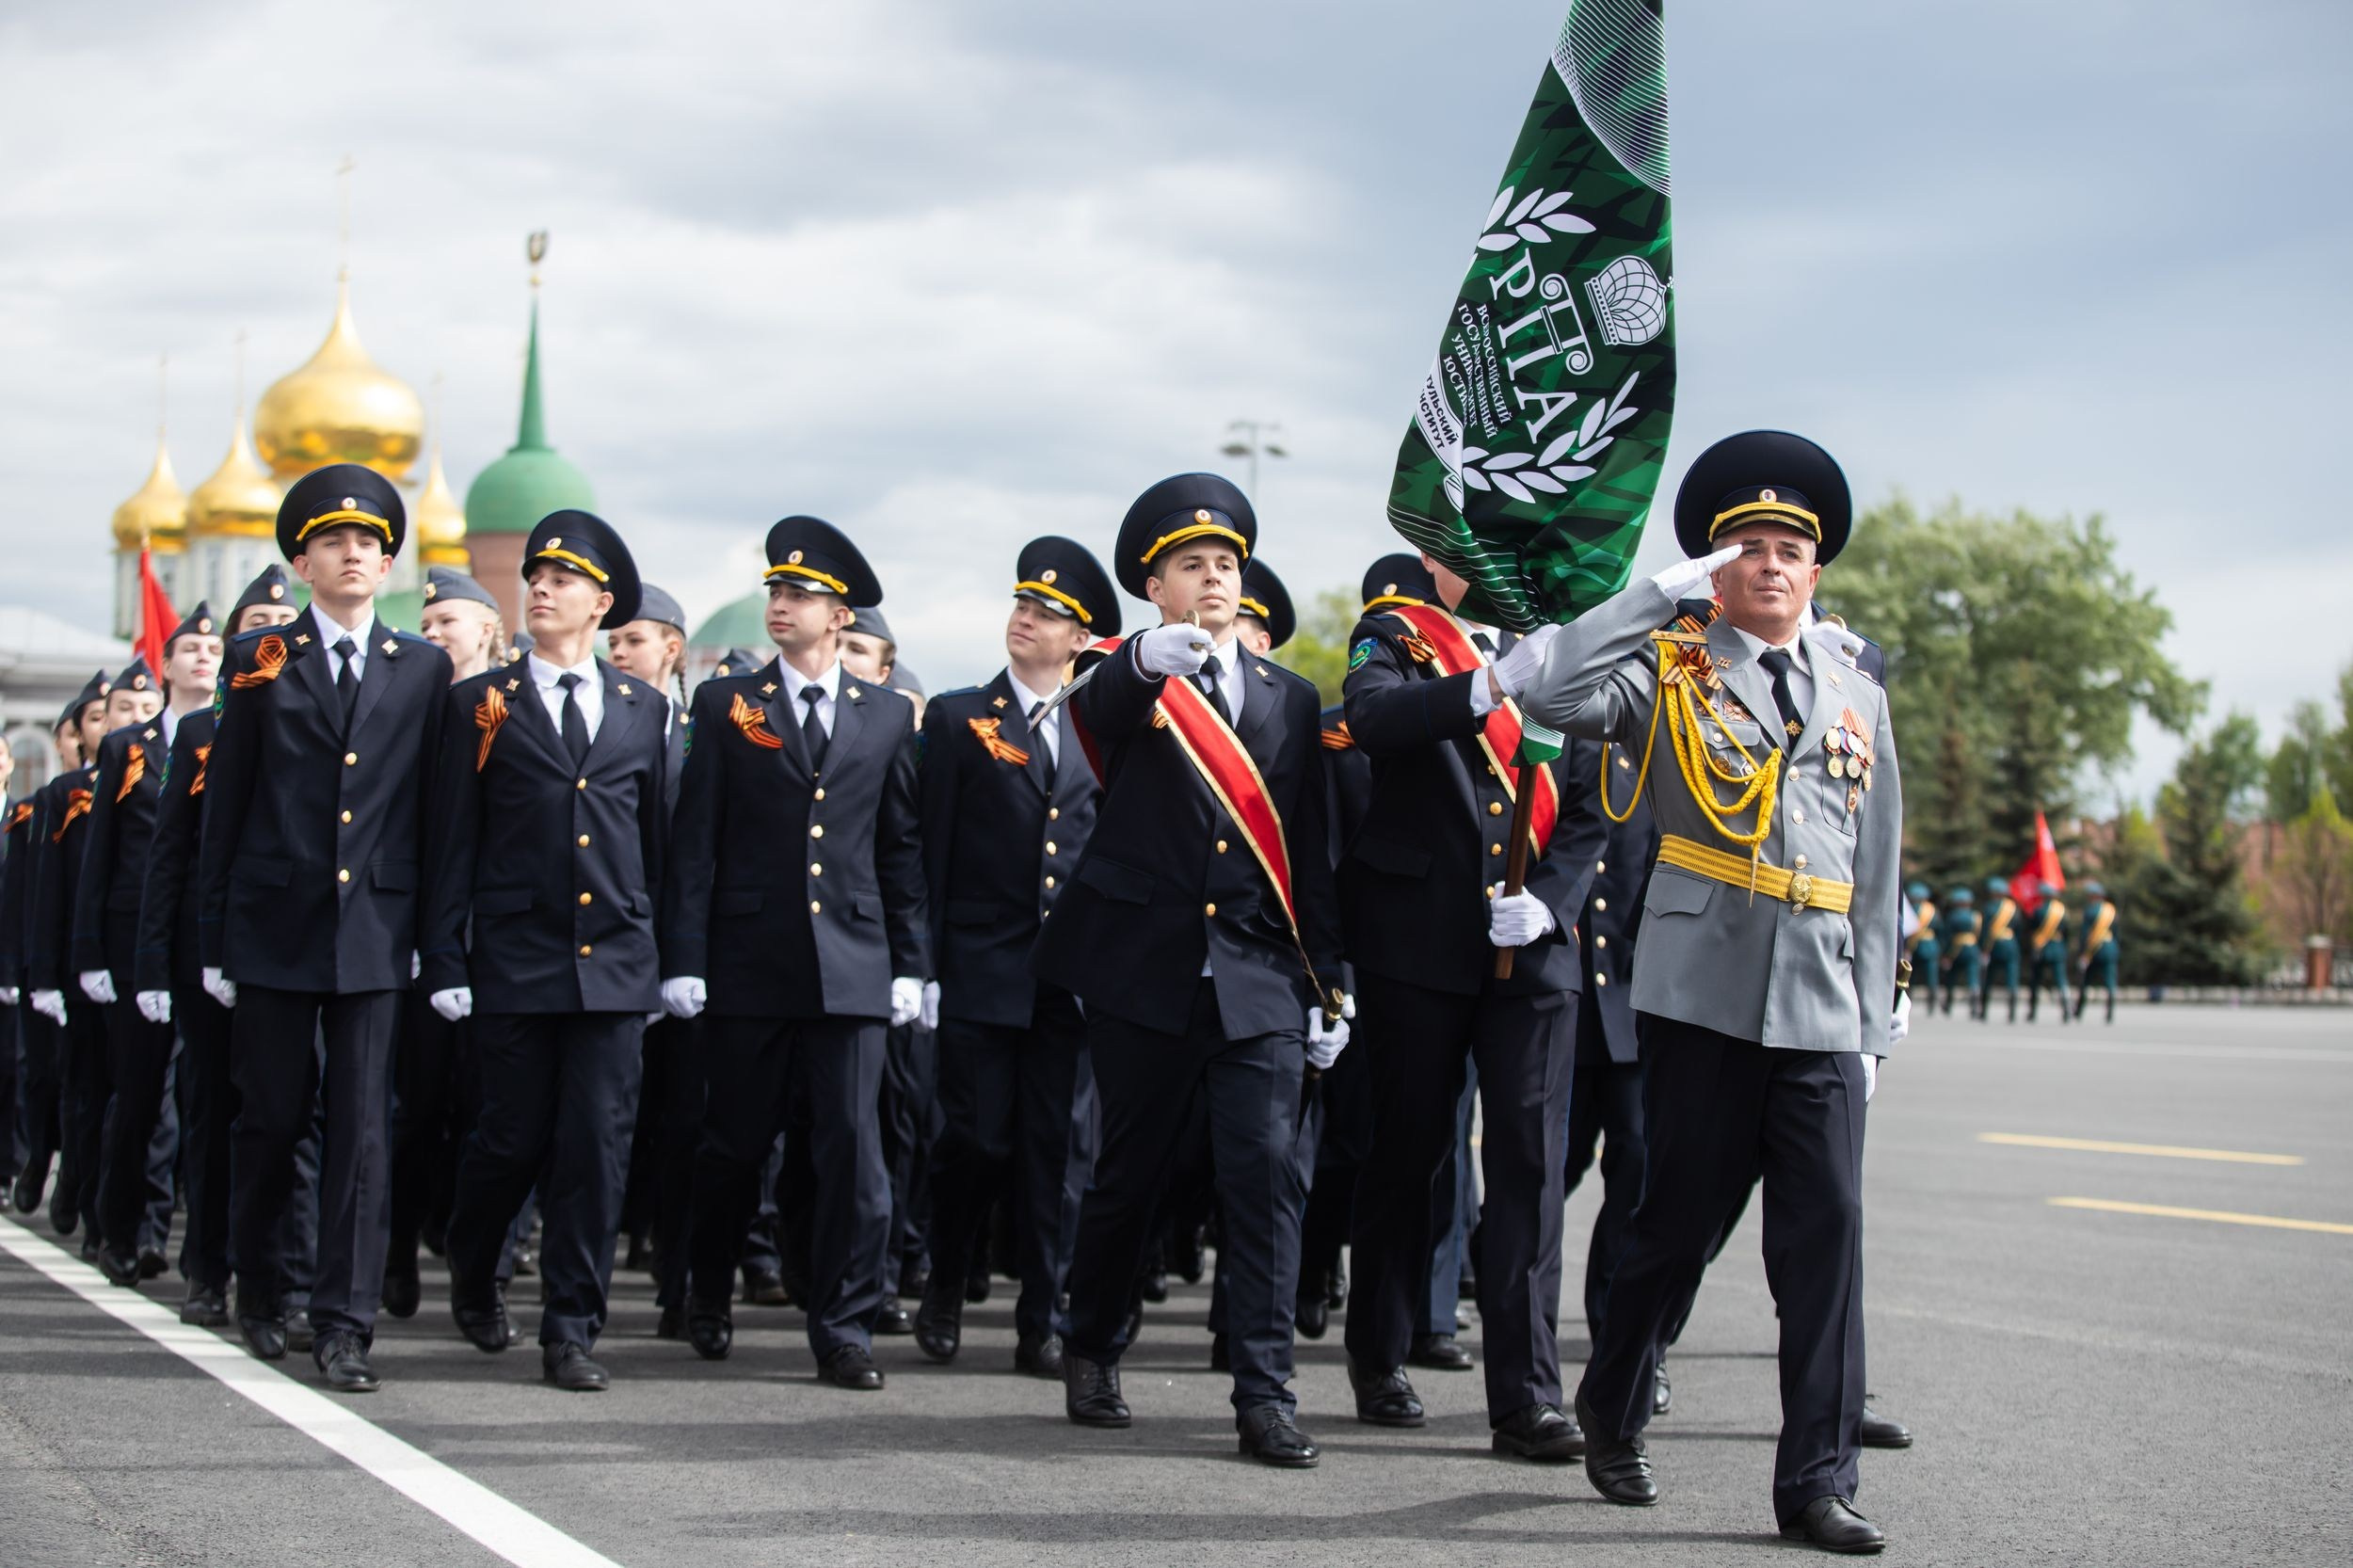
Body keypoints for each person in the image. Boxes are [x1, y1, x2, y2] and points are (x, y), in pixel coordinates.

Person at [1515, 429, 1902, 1553]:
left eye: (1791, 547)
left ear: (1815, 569)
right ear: (1717, 570)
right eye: (1748, 548)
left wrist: (1873, 1021)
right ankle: (1612, 1400)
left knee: (1825, 1239)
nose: (1771, 564)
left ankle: (1815, 1485)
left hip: (1824, 1001)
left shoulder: (1857, 695)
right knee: (1670, 1230)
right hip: (1703, 996)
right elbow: (1550, 694)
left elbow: (1874, 866)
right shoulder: (1668, 667)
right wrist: (1651, 598)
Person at [1032, 472, 1347, 1467]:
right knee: (1131, 1176)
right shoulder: (1126, 678)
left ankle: (1264, 1392)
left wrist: (1329, 982)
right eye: (1189, 566)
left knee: (1263, 1183)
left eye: (1225, 563)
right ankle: (1090, 1344)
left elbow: (1310, 848)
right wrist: (1136, 663)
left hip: (1255, 976)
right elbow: (1096, 723)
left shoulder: (1291, 699)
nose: (1211, 577)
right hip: (1145, 972)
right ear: (1155, 590)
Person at [1337, 547, 1608, 1460]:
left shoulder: (1571, 650)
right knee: (1409, 1153)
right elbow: (1372, 721)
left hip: (1529, 953)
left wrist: (1556, 898)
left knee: (1530, 1169)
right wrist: (1484, 685)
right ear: (1433, 564)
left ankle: (1527, 1397)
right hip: (1417, 941)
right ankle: (1378, 1352)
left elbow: (1599, 793)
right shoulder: (1397, 634)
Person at [198, 463, 455, 1392]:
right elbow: (226, 807)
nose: (354, 554)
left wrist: (435, 933)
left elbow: (438, 810)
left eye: (370, 543)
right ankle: (265, 1287)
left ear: (387, 565)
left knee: (362, 1130)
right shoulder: (258, 661)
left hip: (377, 929)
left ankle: (344, 1321)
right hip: (273, 923)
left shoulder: (422, 668)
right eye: (334, 541)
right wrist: (215, 937)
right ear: (301, 562)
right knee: (270, 1117)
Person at [659, 516, 927, 1390]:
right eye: (776, 590)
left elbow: (899, 850)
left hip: (851, 965)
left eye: (800, 594)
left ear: (839, 616)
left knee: (854, 1153)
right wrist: (685, 955)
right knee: (735, 1146)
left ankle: (843, 1327)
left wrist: (910, 965)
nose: (781, 604)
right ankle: (705, 1292)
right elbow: (694, 840)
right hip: (747, 961)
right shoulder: (726, 703)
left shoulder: (885, 715)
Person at [423, 512, 666, 1392]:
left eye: (561, 580)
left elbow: (656, 841)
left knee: (596, 1149)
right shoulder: (481, 703)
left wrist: (668, 958)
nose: (540, 588)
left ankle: (571, 1328)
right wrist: (447, 959)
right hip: (515, 959)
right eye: (533, 575)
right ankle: (474, 1261)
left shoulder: (644, 707)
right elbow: (453, 838)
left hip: (615, 964)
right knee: (508, 1140)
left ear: (600, 604)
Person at [914, 535, 1118, 1378]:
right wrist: (923, 965)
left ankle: (1045, 1317)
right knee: (976, 1141)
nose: (1025, 620)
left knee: (1057, 1156)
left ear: (1081, 639)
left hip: (1068, 978)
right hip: (979, 967)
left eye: (1048, 614)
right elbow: (929, 849)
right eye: (1021, 606)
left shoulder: (1104, 721)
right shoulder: (961, 718)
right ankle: (945, 1284)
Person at [133, 567, 301, 1326]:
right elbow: (171, 856)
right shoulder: (200, 733)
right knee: (212, 1113)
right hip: (211, 954)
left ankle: (289, 1279)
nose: (270, 629)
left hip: (295, 949)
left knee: (296, 1118)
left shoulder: (315, 720)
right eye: (256, 619)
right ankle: (208, 1270)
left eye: (281, 618)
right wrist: (157, 963)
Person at [75, 612, 219, 1287]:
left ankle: (164, 1235)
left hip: (206, 938)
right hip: (136, 941)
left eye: (214, 649)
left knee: (196, 1099)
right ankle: (121, 1226)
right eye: (190, 647)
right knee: (138, 1094)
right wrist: (88, 954)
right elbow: (100, 855)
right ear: (163, 666)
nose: (202, 657)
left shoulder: (230, 737)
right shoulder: (127, 748)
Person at [1561, 752, 1657, 1398]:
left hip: (1634, 999)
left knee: (1638, 1178)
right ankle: (1475, 1268)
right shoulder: (1557, 737)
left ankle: (1625, 1344)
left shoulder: (1663, 759)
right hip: (1561, 1003)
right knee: (1548, 1172)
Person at [27, 668, 127, 1256]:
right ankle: (79, 1187)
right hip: (79, 960)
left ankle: (117, 1210)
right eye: (99, 716)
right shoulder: (62, 797)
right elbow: (46, 892)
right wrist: (44, 973)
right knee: (84, 1086)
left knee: (134, 1094)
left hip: (140, 961)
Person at [15, 678, 104, 1232]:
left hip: (114, 955)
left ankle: (83, 1184)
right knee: (52, 1075)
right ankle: (46, 1160)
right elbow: (35, 892)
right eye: (90, 720)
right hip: (61, 958)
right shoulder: (49, 801)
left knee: (97, 1084)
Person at [2073, 880, 2120, 1023]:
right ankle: (2110, 1012)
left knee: (2086, 982)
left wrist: (2083, 953)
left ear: (2094, 896)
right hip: (2110, 948)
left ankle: (2079, 1011)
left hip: (2094, 951)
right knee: (2110, 982)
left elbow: (2085, 934)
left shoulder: (2091, 911)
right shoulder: (2111, 911)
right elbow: (2117, 934)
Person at [2024, 881, 2070, 1023]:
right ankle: (2066, 1010)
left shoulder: (2039, 910)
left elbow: (2031, 929)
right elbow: (2067, 932)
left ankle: (2032, 1011)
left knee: (2035, 981)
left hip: (2041, 949)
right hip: (2057, 948)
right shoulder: (2062, 911)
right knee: (2061, 981)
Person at [1977, 878, 2022, 1023]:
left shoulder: (1990, 908)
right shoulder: (2013, 908)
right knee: (2012, 981)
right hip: (2011, 946)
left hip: (1995, 947)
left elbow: (1985, 931)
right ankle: (2012, 1012)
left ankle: (1983, 1011)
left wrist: (1984, 949)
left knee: (1989, 980)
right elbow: (2019, 929)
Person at [1938, 887, 1979, 1016]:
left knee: (1952, 978)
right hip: (1972, 948)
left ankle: (1948, 1003)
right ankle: (1974, 997)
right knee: (1972, 977)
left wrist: (1946, 954)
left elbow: (1948, 936)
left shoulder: (1953, 916)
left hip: (1956, 950)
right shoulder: (1975, 916)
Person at [1904, 883, 1941, 1016]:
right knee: (1931, 978)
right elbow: (1939, 929)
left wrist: (1906, 947)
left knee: (1910, 979)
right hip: (1930, 946)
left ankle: (1907, 1003)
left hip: (1914, 947)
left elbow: (1907, 929)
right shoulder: (1932, 910)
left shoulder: (1911, 909)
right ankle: (1931, 1005)